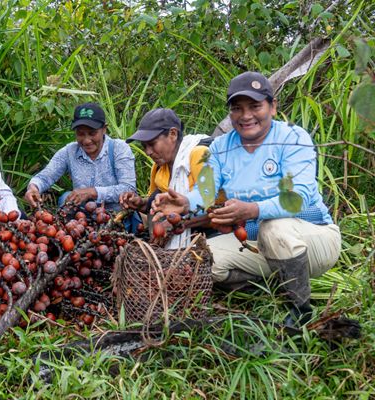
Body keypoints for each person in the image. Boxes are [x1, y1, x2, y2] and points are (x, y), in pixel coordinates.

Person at [152, 71, 341, 326]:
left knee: (274, 229)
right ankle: (272, 287)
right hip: (257, 242)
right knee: (204, 259)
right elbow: (206, 193)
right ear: (231, 113)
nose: (246, 115)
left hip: (314, 237)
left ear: (272, 107)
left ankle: (300, 313)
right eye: (237, 108)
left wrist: (252, 209)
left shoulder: (293, 138)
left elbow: (300, 198)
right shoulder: (220, 147)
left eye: (255, 106)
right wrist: (185, 203)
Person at [119, 108, 211, 248]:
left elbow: (218, 210)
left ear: (173, 134)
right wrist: (140, 204)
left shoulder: (200, 156)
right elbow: (156, 207)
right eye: (144, 146)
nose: (148, 152)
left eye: (152, 144)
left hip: (210, 234)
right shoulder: (158, 167)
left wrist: (180, 223)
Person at [24, 102, 136, 213]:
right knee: (66, 198)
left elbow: (128, 189)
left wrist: (92, 192)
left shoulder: (119, 148)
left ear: (104, 129)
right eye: (81, 134)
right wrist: (33, 187)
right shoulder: (70, 151)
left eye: (92, 133)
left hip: (117, 216)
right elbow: (46, 176)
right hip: (81, 219)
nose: (87, 140)